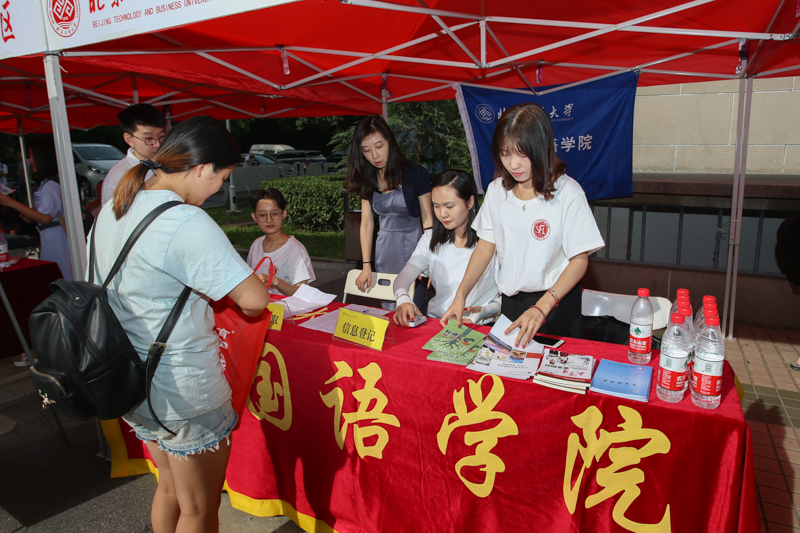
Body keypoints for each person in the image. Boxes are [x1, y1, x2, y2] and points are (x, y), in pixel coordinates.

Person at [91, 116, 271, 533]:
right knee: (199, 511)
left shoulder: (115, 207)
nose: (218, 189)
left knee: (170, 489)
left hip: (132, 380)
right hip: (183, 391)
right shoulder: (184, 221)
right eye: (222, 178)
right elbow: (254, 300)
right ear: (202, 168)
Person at [440, 103, 604, 347]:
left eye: (522, 154)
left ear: (540, 148)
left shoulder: (568, 192)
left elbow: (579, 260)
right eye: (505, 154)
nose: (513, 164)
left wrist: (543, 306)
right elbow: (485, 247)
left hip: (554, 304)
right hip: (510, 305)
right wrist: (460, 295)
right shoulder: (497, 191)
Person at [345, 115, 433, 310]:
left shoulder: (416, 174)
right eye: (366, 150)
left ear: (390, 142)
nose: (374, 155)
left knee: (414, 307)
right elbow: (367, 224)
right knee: (388, 308)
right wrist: (366, 265)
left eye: (379, 146)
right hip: (385, 250)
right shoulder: (367, 178)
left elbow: (428, 222)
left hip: (415, 248)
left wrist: (430, 260)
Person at [392, 170, 500, 327]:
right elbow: (403, 277)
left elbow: (507, 296)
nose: (442, 214)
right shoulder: (430, 238)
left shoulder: (490, 242)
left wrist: (484, 310)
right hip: (438, 323)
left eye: (449, 206)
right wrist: (403, 298)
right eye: (436, 206)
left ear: (470, 202)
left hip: (478, 326)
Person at [0, 140, 73, 283]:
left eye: (32, 155)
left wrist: (10, 202)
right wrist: (32, 216)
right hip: (52, 237)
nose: (29, 160)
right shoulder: (49, 182)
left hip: (57, 240)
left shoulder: (51, 184)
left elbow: (46, 218)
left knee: (61, 277)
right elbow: (46, 214)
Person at [247, 188, 315, 296]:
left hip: (284, 306)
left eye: (274, 213)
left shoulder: (295, 250)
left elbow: (302, 293)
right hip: (259, 305)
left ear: (283, 214)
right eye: (262, 215)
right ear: (254, 217)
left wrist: (276, 281)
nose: (269, 220)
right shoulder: (256, 244)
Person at [101, 104, 167, 205]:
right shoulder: (119, 176)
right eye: (149, 138)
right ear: (129, 139)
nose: (157, 144)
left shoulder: (171, 163)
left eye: (161, 136)